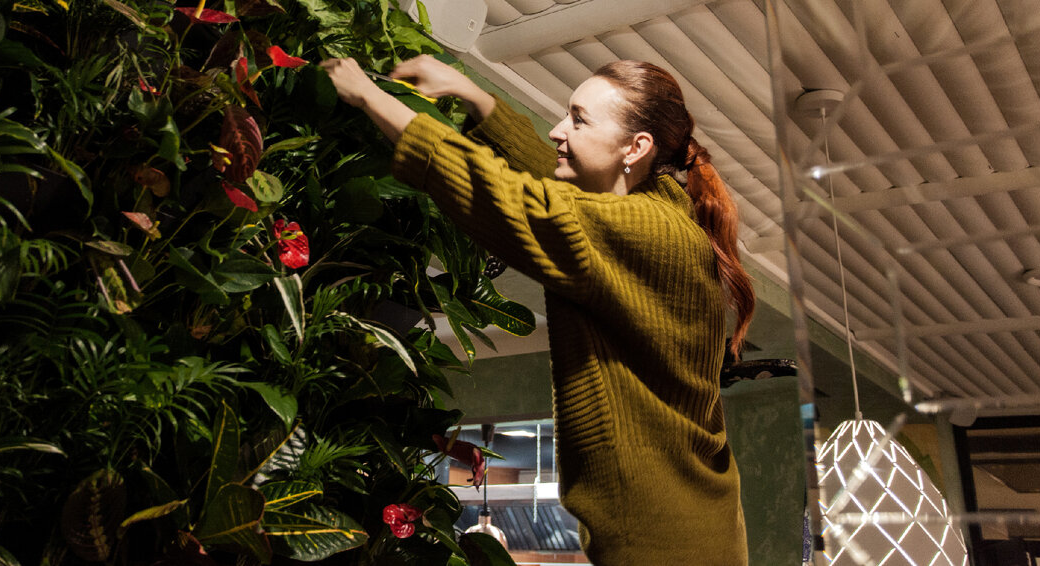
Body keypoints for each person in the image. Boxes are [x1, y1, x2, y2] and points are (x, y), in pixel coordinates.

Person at [323, 54, 755, 565]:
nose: (557, 130)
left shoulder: (648, 231)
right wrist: (474, 96)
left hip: (669, 542)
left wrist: (369, 95)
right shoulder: (654, 199)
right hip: (681, 525)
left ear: (636, 148)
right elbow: (554, 179)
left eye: (579, 119)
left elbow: (516, 199)